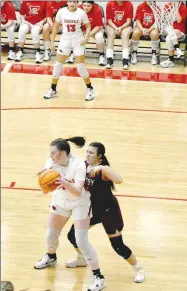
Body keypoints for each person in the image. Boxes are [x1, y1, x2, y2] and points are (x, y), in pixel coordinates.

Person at [66, 142, 145, 283]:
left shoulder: (103, 170)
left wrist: (102, 167)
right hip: (91, 210)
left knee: (118, 246)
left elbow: (119, 180)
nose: (88, 154)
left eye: (91, 153)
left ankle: (138, 268)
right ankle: (81, 259)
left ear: (100, 156)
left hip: (108, 211)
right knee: (72, 236)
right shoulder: (83, 166)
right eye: (87, 152)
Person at [34, 137, 106, 291]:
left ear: (62, 153)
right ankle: (51, 258)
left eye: (53, 153)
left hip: (80, 203)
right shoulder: (51, 163)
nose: (51, 156)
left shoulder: (79, 165)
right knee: (50, 235)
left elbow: (78, 190)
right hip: (61, 202)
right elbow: (45, 190)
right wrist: (44, 182)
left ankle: (99, 277)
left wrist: (64, 182)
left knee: (81, 241)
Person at [43, 1, 94, 101]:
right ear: (67, 2)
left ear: (77, 3)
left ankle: (90, 88)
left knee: (80, 68)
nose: (72, 3)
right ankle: (53, 89)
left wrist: (86, 37)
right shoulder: (61, 11)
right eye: (70, 1)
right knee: (58, 65)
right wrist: (52, 42)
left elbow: (88, 26)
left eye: (74, 2)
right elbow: (55, 27)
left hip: (78, 41)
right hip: (65, 41)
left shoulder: (81, 12)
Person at [105, 1, 133, 70]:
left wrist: (120, 28)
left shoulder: (129, 4)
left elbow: (129, 21)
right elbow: (109, 20)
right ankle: (109, 59)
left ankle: (125, 60)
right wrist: (116, 28)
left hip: (125, 26)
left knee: (125, 34)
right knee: (111, 34)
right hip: (112, 26)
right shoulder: (109, 4)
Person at [131, 1, 160, 65]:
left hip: (152, 28)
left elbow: (156, 23)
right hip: (141, 27)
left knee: (155, 34)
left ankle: (154, 54)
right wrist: (142, 29)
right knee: (135, 32)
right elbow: (137, 20)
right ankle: (134, 53)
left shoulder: (156, 8)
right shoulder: (140, 6)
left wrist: (149, 30)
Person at [79, 1, 106, 66]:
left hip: (95, 29)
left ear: (92, 5)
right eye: (84, 5)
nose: (86, 8)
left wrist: (87, 35)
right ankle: (73, 53)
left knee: (99, 37)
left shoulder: (97, 9)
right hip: (83, 29)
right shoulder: (78, 9)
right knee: (73, 34)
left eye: (88, 6)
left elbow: (98, 26)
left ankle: (102, 55)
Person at [160, 1, 187, 68]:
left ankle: (171, 60)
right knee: (170, 34)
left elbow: (179, 20)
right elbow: (163, 20)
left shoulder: (184, 8)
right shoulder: (168, 6)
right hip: (169, 30)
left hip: (180, 31)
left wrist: (176, 8)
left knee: (168, 38)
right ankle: (177, 49)